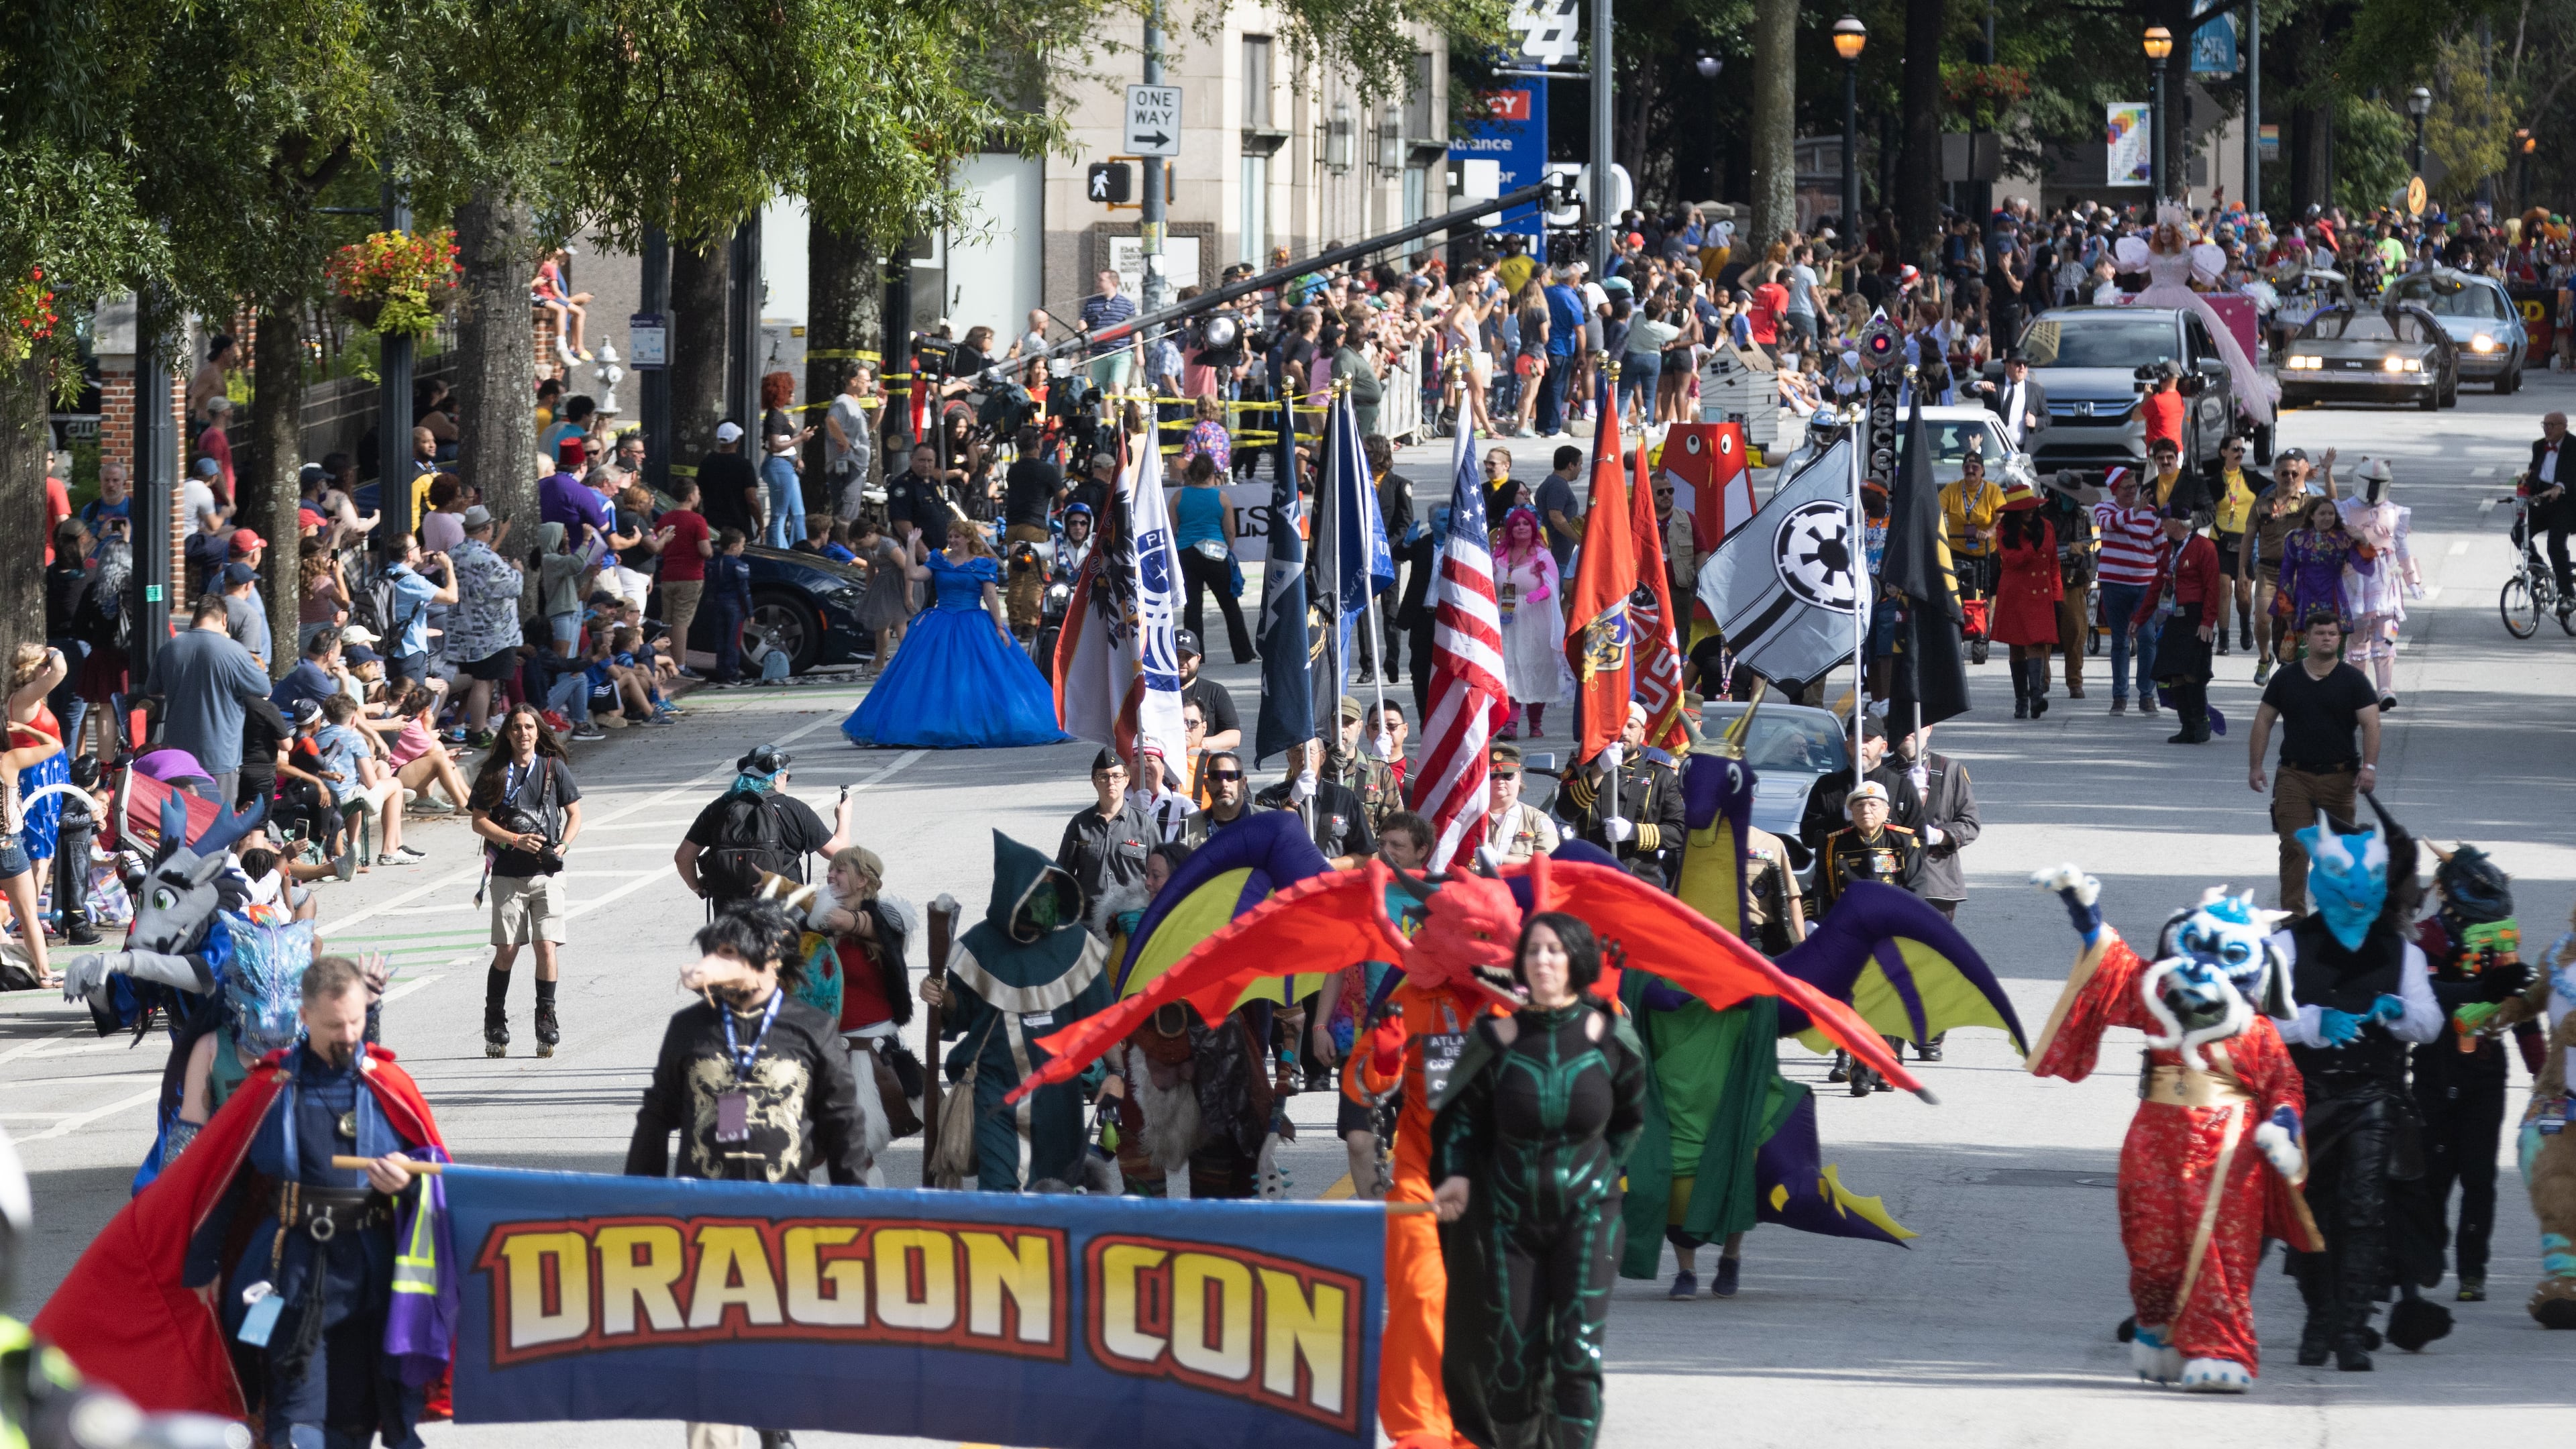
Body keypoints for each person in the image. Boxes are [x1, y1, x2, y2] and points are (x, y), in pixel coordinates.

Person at [2026, 867, 2315, 1394]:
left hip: (2229, 1151)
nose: (2204, 965)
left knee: (2221, 1253)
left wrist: (2283, 1124)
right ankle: (2158, 1329)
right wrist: (2083, 910)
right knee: (2150, 1250)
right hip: (2155, 1141)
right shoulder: (2161, 1004)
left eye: (2228, 955)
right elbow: (2114, 966)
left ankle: (2221, 1350)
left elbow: (2285, 1086)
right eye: (2195, 946)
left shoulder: (2257, 1031)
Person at [1430, 912, 1647, 1449]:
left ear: (1577, 961)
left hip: (1590, 1216)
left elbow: (1630, 1120)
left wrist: (1599, 1176)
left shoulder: (1612, 1039)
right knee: (1511, 1362)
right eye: (1533, 950)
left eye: (1555, 950)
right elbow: (1461, 1125)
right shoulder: (1495, 1040)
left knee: (1578, 1355)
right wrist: (1456, 1176)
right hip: (1510, 1222)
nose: (1543, 960)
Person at [2273, 804, 2443, 1371]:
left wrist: (2398, 1013)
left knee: (2365, 1210)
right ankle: (2320, 1315)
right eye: (2345, 880)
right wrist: (2312, 1023)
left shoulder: (2403, 953)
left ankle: (2350, 1329)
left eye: (2370, 881)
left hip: (2375, 1095)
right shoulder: (2287, 947)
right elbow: (2254, 1020)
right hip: (2306, 1098)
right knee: (2310, 1210)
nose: (2358, 893)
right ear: (2321, 882)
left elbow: (2431, 1023)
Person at [916, 833, 1116, 1190]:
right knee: (1000, 1194)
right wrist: (941, 995)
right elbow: (959, 1015)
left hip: (1060, 1100)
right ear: (1014, 899)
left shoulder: (1076, 946)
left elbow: (1105, 1021)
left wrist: (1117, 1073)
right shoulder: (978, 947)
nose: (1049, 905)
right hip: (995, 1094)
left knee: (1056, 1194)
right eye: (1040, 895)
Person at [2397, 843, 2533, 1305]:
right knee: (2433, 1175)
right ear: (2445, 892)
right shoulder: (2423, 941)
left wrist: (2544, 1078)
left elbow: (2522, 1014)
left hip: (2485, 1074)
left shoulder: (2500, 946)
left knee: (2480, 1177)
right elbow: (2422, 997)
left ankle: (2473, 1270)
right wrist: (2478, 989)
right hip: (2433, 1072)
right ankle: (2429, 1254)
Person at [2245, 610, 2379, 915]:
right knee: (2295, 846)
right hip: (2294, 777)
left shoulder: (2354, 681)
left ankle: (2339, 918)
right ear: (2307, 638)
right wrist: (2255, 766)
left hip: (2340, 778)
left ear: (2340, 639)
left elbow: (2372, 724)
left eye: (2332, 634)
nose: (2326, 639)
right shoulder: (2286, 678)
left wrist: (2369, 768)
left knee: (2341, 852)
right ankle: (2293, 919)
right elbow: (2264, 720)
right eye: (2320, 634)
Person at [470, 704, 583, 1059]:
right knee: (507, 950)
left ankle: (546, 1017)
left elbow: (575, 814)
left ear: (538, 732)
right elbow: (478, 821)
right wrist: (514, 840)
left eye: (529, 727)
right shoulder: (494, 772)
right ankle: (494, 1018)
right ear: (508, 733)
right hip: (507, 873)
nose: (523, 733)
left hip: (547, 874)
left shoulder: (553, 768)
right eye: (517, 727)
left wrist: (563, 845)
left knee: (546, 945)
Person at [142, 594, 273, 808]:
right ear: (224, 619)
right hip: (219, 756)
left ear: (195, 619)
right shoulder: (234, 651)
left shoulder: (170, 648)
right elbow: (264, 689)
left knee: (180, 817)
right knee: (217, 819)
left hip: (177, 755)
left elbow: (153, 690)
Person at [676, 745, 846, 906]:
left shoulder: (719, 808)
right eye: (787, 777)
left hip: (729, 916)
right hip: (784, 914)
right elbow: (839, 854)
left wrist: (698, 888)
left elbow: (683, 858)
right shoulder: (794, 809)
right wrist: (843, 817)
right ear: (779, 776)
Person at [1561, 703, 1685, 888]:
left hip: (1641, 881)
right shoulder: (1583, 768)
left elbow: (1678, 831)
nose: (1624, 732)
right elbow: (1565, 811)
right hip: (1590, 878)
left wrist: (1633, 832)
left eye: (1631, 726)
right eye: (1618, 727)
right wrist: (1599, 769)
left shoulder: (1661, 775)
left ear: (1642, 734)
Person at [2336, 460, 2419, 713]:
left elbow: (2402, 548)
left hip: (2386, 581)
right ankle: (2359, 691)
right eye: (2370, 483)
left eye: (2378, 484)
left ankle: (2385, 688)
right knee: (2358, 638)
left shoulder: (2396, 512)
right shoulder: (2343, 509)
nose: (2373, 489)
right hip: (2356, 580)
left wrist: (2413, 579)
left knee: (2388, 634)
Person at [443, 506, 523, 745]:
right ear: (487, 528)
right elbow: (513, 587)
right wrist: (516, 570)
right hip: (492, 633)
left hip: (463, 629)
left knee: (479, 680)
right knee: (483, 681)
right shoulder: (487, 558)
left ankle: (479, 727)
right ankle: (478, 731)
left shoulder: (454, 553)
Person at [2145, 504, 2223, 744]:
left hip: (2196, 616)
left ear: (2177, 523)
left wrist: (2208, 621)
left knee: (2193, 673)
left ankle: (2201, 724)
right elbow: (2158, 585)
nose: (2161, 524)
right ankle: (2187, 726)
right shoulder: (2169, 550)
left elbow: (2212, 588)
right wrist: (2139, 618)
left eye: (2164, 520)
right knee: (2174, 673)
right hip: (2174, 616)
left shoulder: (2205, 547)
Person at [2093, 466, 2165, 717]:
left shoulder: (2152, 514)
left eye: (2135, 486)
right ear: (2115, 490)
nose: (2133, 491)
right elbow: (2109, 524)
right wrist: (2135, 511)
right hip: (2114, 584)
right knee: (2120, 641)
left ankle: (2147, 695)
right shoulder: (2104, 509)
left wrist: (2165, 579)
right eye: (2127, 488)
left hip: (2145, 585)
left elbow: (2161, 549)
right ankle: (2120, 697)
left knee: (2147, 638)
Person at [1172, 452, 1253, 662]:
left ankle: (1194, 656)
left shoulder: (1179, 497)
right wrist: (1226, 549)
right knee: (1230, 606)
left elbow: (1171, 529)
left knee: (1193, 607)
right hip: (1215, 554)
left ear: (1190, 472)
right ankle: (1243, 654)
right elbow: (1230, 532)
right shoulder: (1222, 498)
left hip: (1187, 554)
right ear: (1212, 474)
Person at [1494, 507, 1565, 739]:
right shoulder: (1499, 555)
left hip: (1534, 621)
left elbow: (1553, 584)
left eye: (1526, 523)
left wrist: (1540, 593)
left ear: (1534, 528)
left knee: (1534, 669)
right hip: (1506, 621)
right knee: (1509, 670)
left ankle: (1535, 723)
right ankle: (1511, 724)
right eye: (1517, 524)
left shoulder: (1542, 556)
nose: (1521, 527)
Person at [1993, 482, 2061, 718]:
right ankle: (2021, 701)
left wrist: (2058, 596)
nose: (2030, 511)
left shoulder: (2047, 526)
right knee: (2017, 648)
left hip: (2040, 594)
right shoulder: (2003, 530)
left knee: (2037, 644)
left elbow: (2053, 564)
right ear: (2015, 511)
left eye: (2032, 507)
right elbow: (2011, 560)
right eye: (2025, 508)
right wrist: (2033, 547)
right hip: (2015, 594)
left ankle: (2037, 698)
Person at [1253, 739, 1376, 868]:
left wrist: (1326, 864)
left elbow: (1365, 856)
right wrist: (1292, 802)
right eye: (1297, 751)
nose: (1303, 757)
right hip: (1289, 877)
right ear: (1289, 758)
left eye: (1310, 751)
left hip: (1332, 878)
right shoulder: (1270, 798)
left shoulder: (1345, 798)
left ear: (1323, 757)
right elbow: (1264, 848)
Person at [1055, 749, 1152, 908]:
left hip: (1133, 914)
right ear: (1094, 781)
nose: (1111, 782)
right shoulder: (1079, 824)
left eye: (1117, 776)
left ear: (1127, 779)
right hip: (1090, 915)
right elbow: (1063, 874)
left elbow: (1160, 874)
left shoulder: (1144, 824)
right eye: (1103, 777)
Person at [1941, 452, 2004, 663]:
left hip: (1986, 550)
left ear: (1982, 471)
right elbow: (1938, 510)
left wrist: (1990, 532)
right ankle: (1958, 625)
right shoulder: (1952, 490)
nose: (1971, 470)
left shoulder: (1992, 490)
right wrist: (1940, 531)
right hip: (1958, 548)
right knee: (1957, 591)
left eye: (1975, 467)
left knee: (1988, 592)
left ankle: (1983, 627)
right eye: (1967, 467)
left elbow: (2001, 517)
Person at [2208, 437, 2265, 656]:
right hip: (2220, 541)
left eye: (2242, 449)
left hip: (2246, 543)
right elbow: (2202, 504)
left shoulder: (2251, 478)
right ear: (2224, 452)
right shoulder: (2215, 481)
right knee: (2224, 589)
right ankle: (2223, 640)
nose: (2240, 453)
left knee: (2243, 593)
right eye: (2235, 449)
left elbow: (2276, 488)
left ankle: (2244, 623)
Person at [655, 479, 713, 677]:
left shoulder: (665, 518)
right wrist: (711, 552)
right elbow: (705, 550)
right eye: (697, 493)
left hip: (668, 574)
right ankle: (680, 665)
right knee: (681, 621)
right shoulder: (698, 520)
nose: (699, 497)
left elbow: (658, 544)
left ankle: (662, 659)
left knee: (667, 620)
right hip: (691, 575)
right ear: (690, 496)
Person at [2522, 410, 2575, 616]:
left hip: (2566, 504)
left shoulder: (2573, 446)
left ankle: (2568, 595)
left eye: (2551, 425)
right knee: (2519, 532)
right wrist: (2523, 488)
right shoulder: (2539, 446)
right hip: (2543, 500)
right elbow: (2533, 473)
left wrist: (2560, 487)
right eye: (2544, 424)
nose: (2547, 429)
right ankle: (2538, 565)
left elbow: (2572, 473)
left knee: (2555, 545)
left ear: (2564, 427)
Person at [1482, 742, 1560, 863]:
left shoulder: (1536, 821)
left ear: (1519, 777)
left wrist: (1501, 859)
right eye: (1492, 775)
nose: (1500, 781)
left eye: (1507, 775)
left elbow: (1548, 864)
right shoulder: (1469, 820)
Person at [702, 529, 754, 685]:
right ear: (734, 547)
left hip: (718, 604)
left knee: (721, 640)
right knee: (733, 640)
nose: (743, 549)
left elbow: (710, 587)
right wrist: (750, 612)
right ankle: (732, 674)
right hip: (733, 605)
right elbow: (745, 591)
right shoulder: (739, 566)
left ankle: (722, 673)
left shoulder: (715, 565)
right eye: (742, 545)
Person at [694, 422, 763, 538]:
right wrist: (761, 527)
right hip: (739, 530)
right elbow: (752, 500)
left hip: (712, 528)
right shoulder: (744, 465)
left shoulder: (707, 463)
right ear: (737, 441)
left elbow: (697, 495)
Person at [1175, 633, 1242, 752]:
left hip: (1204, 760)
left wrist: (1199, 745)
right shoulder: (1155, 692)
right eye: (1178, 656)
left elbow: (1234, 736)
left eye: (1188, 657)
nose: (1182, 662)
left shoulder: (1215, 691)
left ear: (1198, 658)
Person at [1533, 447, 1584, 578]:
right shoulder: (1557, 486)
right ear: (1571, 465)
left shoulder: (1553, 483)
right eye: (1580, 464)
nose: (1581, 469)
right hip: (1559, 557)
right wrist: (1579, 540)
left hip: (1559, 555)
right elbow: (1556, 517)